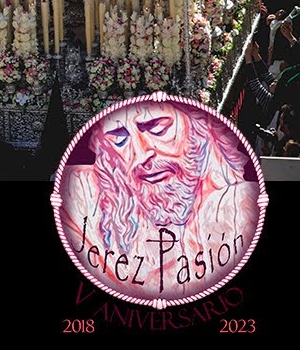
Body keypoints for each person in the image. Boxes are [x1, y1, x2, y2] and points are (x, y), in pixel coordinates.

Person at [59, 102, 260, 296]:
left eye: (157, 128)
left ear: (197, 127)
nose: (140, 155)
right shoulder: (84, 196)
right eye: (119, 137)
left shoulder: (237, 204)